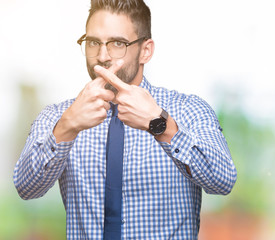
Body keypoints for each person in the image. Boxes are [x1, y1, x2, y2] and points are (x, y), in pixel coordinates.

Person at [13, 0, 237, 239]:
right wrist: (67, 127)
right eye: (93, 43)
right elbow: (26, 188)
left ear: (146, 50)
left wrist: (160, 125)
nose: (102, 56)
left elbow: (222, 181)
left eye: (117, 43)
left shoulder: (187, 110)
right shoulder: (58, 117)